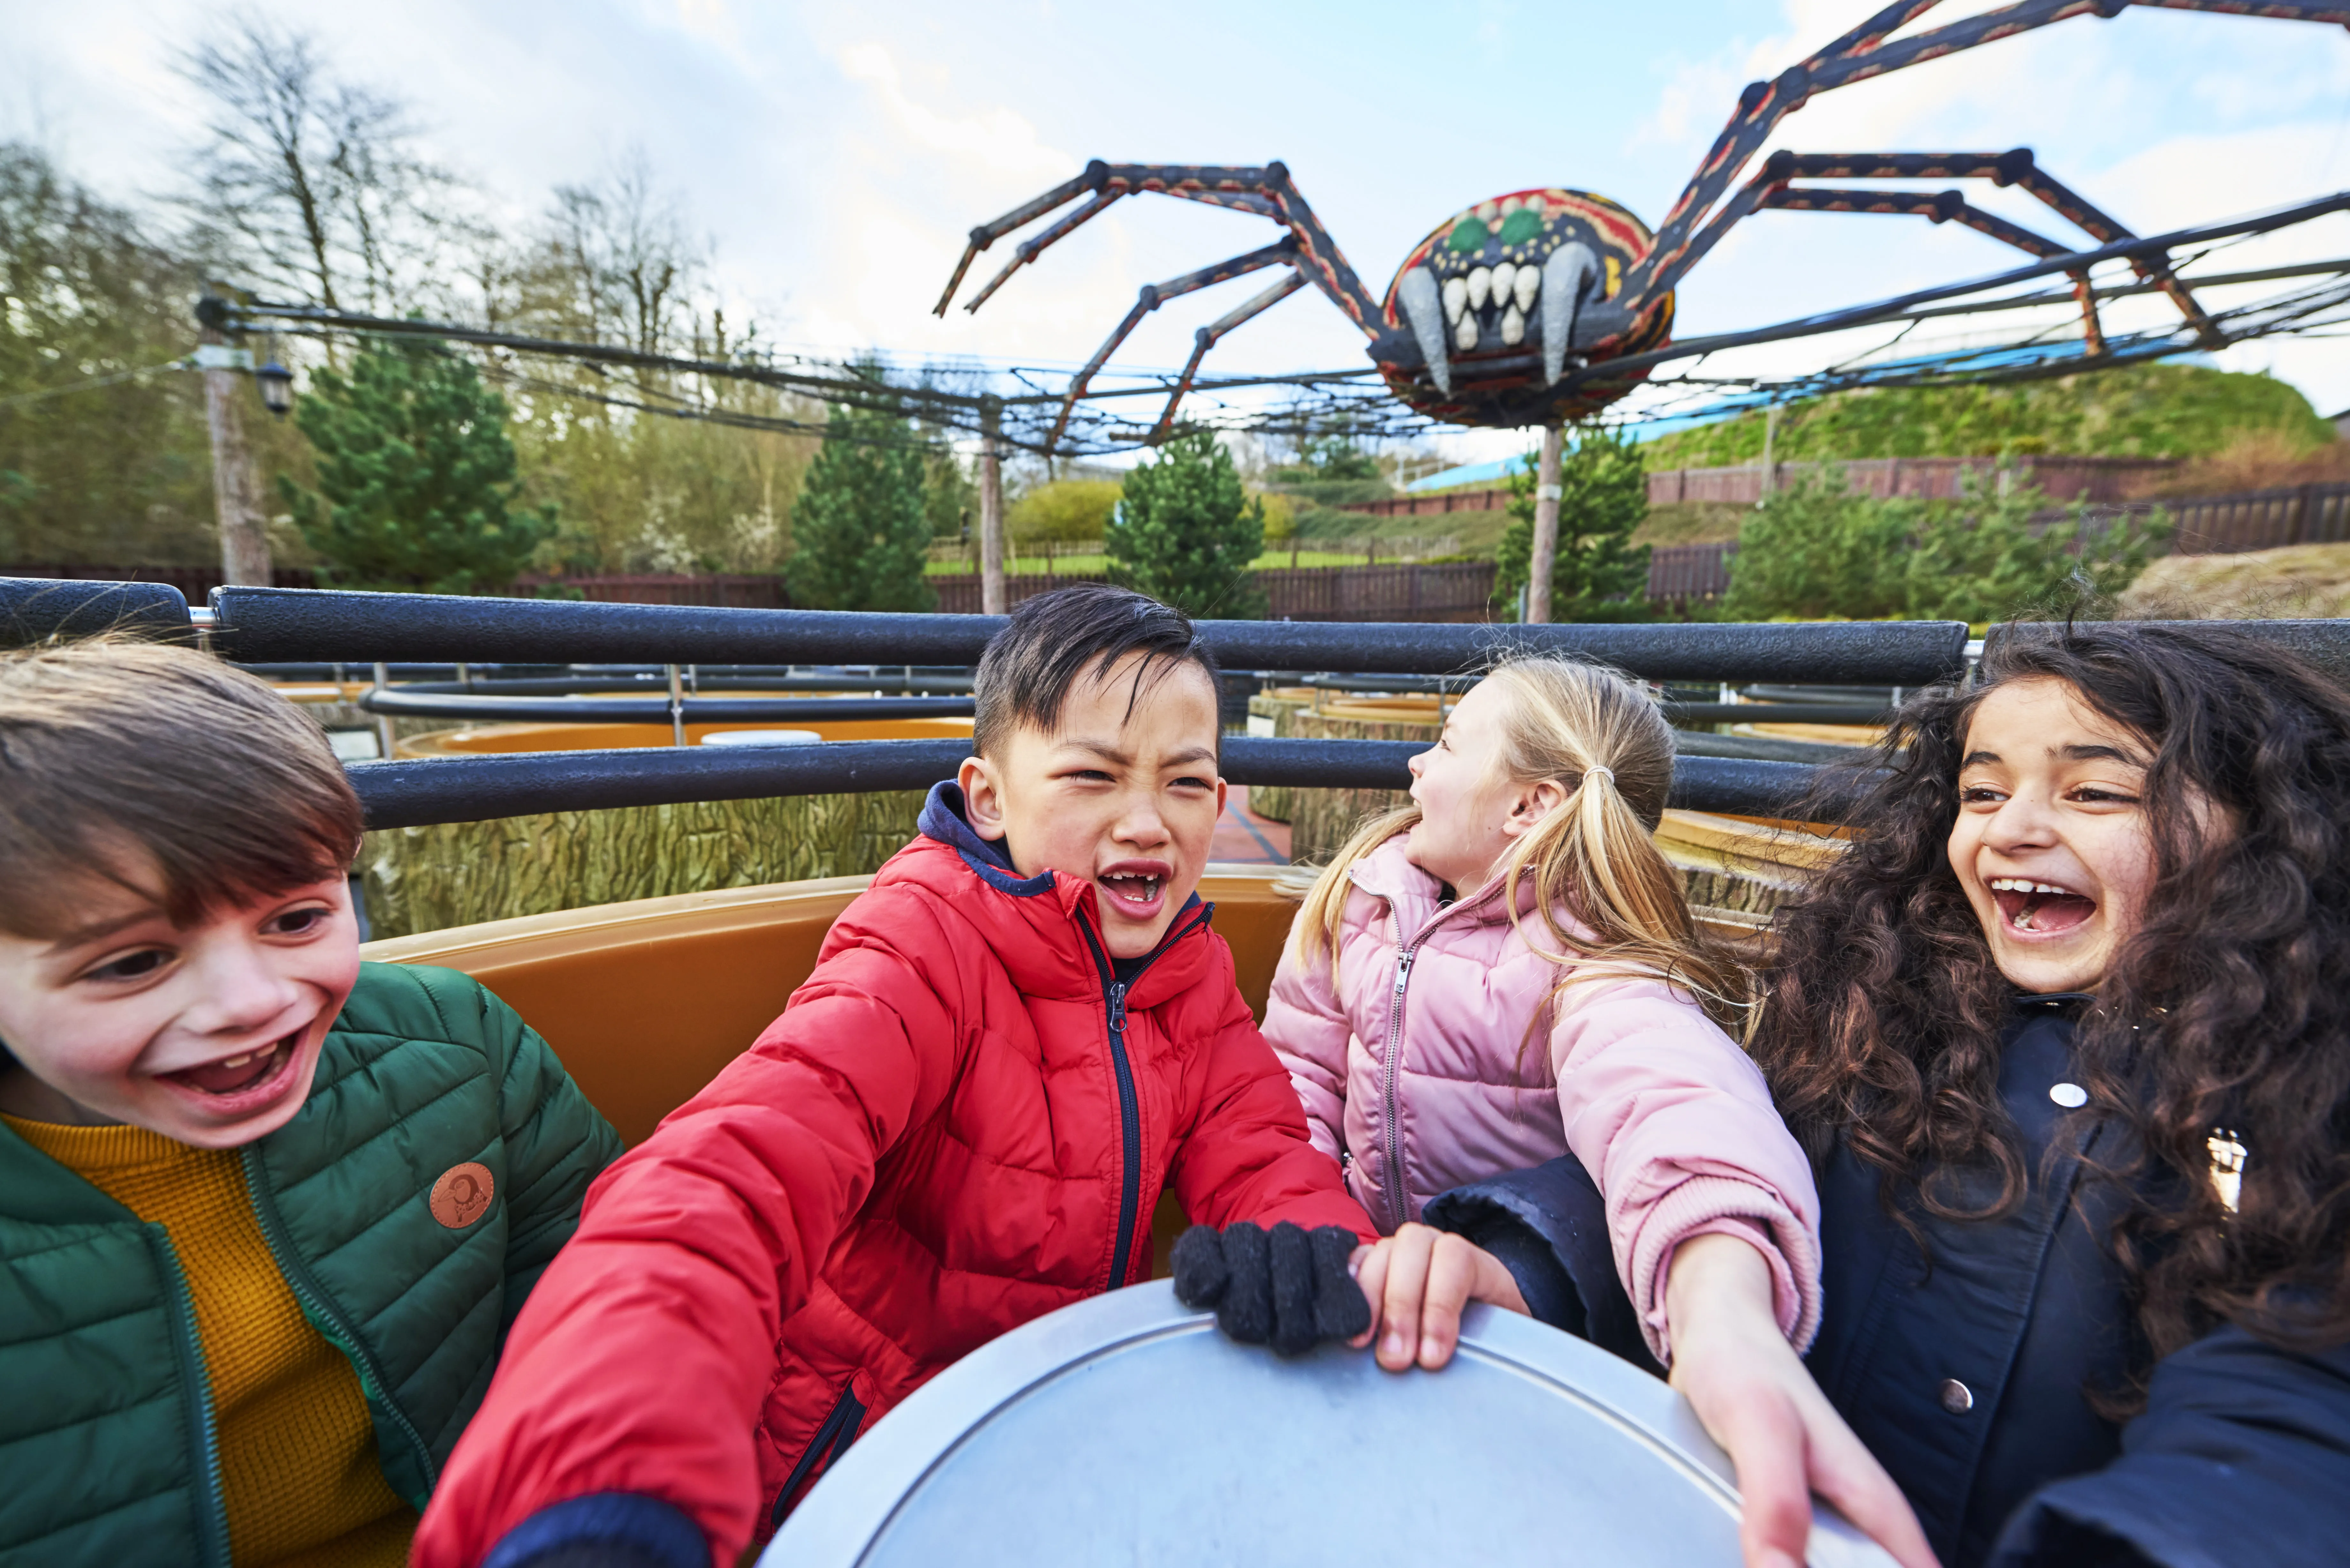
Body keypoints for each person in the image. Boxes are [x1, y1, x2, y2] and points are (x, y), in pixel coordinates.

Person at [413, 585, 1522, 1568]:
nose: (1148, 820)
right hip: (858, 1458)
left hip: (1049, 1427)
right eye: (1093, 776)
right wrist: (603, 1473)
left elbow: (1265, 1150)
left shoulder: (1187, 970)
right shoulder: (919, 951)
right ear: (989, 798)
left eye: (1188, 784)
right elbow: (734, 1170)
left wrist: (1326, 1257)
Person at [1436, 622, 2350, 1568]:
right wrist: (1528, 1264)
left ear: (2267, 832)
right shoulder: (1885, 1027)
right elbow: (1736, 1173)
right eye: (1983, 791)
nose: (2014, 827)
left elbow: (2303, 1395)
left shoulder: (2302, 1086)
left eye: (2097, 793)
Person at [0, 639, 621, 1568]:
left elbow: (598, 1283)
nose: (253, 1001)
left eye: (297, 918)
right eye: (133, 961)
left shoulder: (456, 1047)